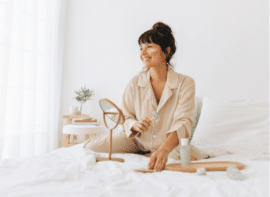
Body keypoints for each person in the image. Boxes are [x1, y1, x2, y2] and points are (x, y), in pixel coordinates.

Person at [84, 22, 209, 171]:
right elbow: (126, 116)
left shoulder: (185, 83)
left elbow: (183, 122)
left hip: (169, 144)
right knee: (91, 146)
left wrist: (164, 149)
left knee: (185, 156)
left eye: (149, 47)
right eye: (141, 48)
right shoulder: (134, 82)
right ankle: (147, 153)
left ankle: (155, 153)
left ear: (166, 51)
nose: (142, 53)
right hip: (137, 141)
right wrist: (134, 125)